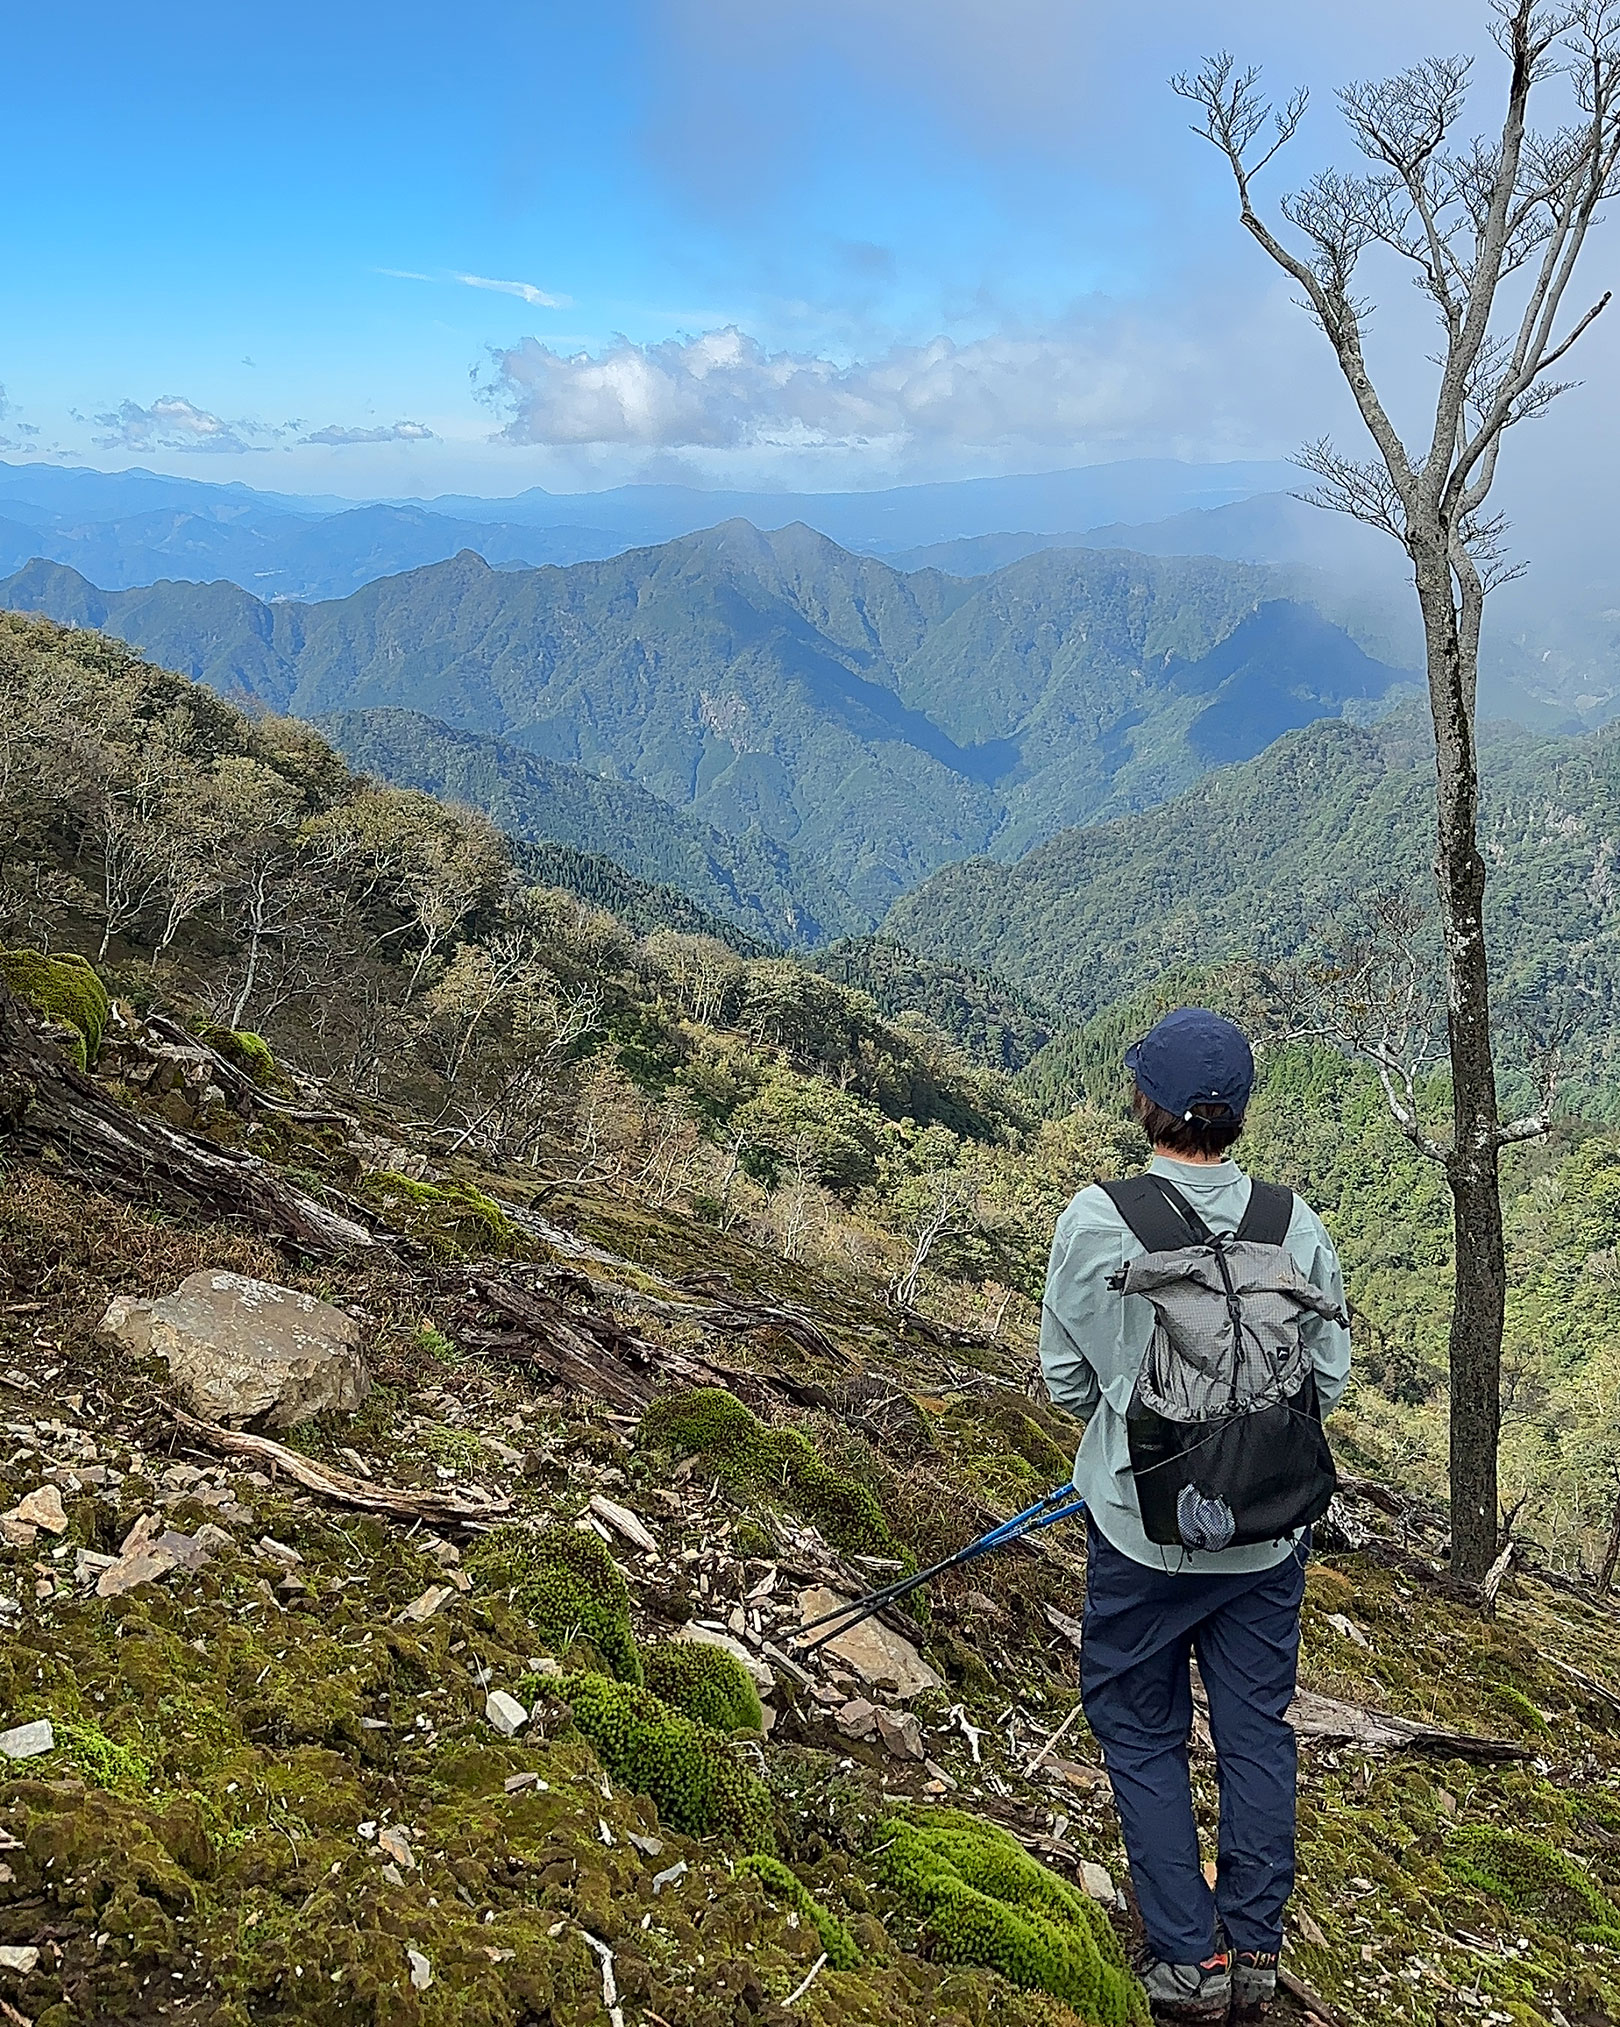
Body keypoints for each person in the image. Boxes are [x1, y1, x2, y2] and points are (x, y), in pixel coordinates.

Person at [1039, 1008, 1350, 2022]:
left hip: (1141, 1529)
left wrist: (1135, 1438)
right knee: (1256, 1726)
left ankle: (1188, 1956)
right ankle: (1252, 1945)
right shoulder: (1293, 1222)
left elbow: (1065, 1378)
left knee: (1139, 1723)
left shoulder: (1097, 1217)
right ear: (1238, 1114)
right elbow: (1328, 1379)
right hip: (1267, 1534)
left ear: (1149, 1104)